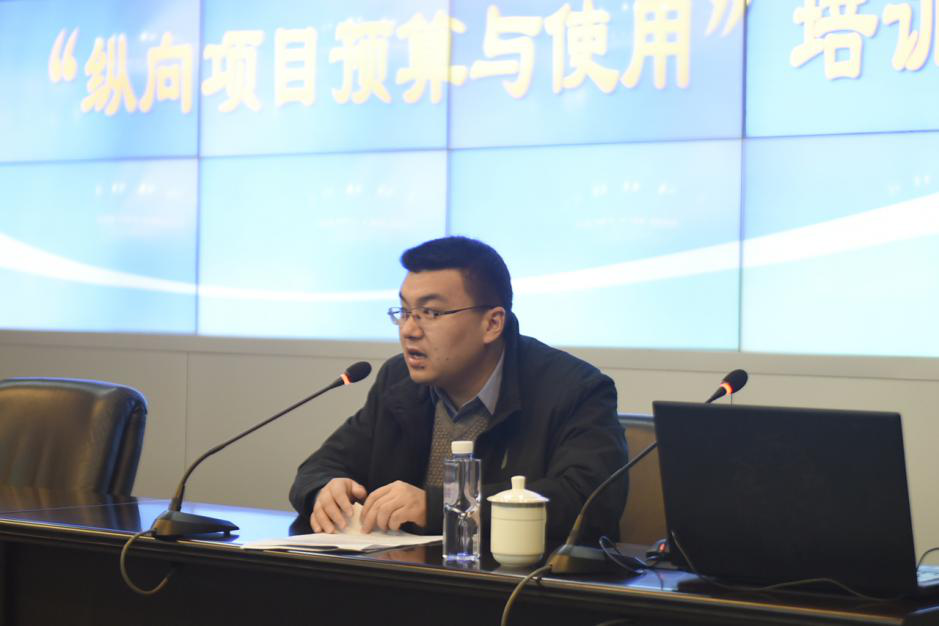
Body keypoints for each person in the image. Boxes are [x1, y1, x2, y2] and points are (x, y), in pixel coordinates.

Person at [289, 236, 628, 541]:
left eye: (430, 312)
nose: (408, 330)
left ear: (492, 323)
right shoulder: (398, 381)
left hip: (512, 583)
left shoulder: (574, 389)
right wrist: (324, 491)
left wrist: (441, 507)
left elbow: (588, 502)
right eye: (404, 311)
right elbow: (319, 468)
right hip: (403, 576)